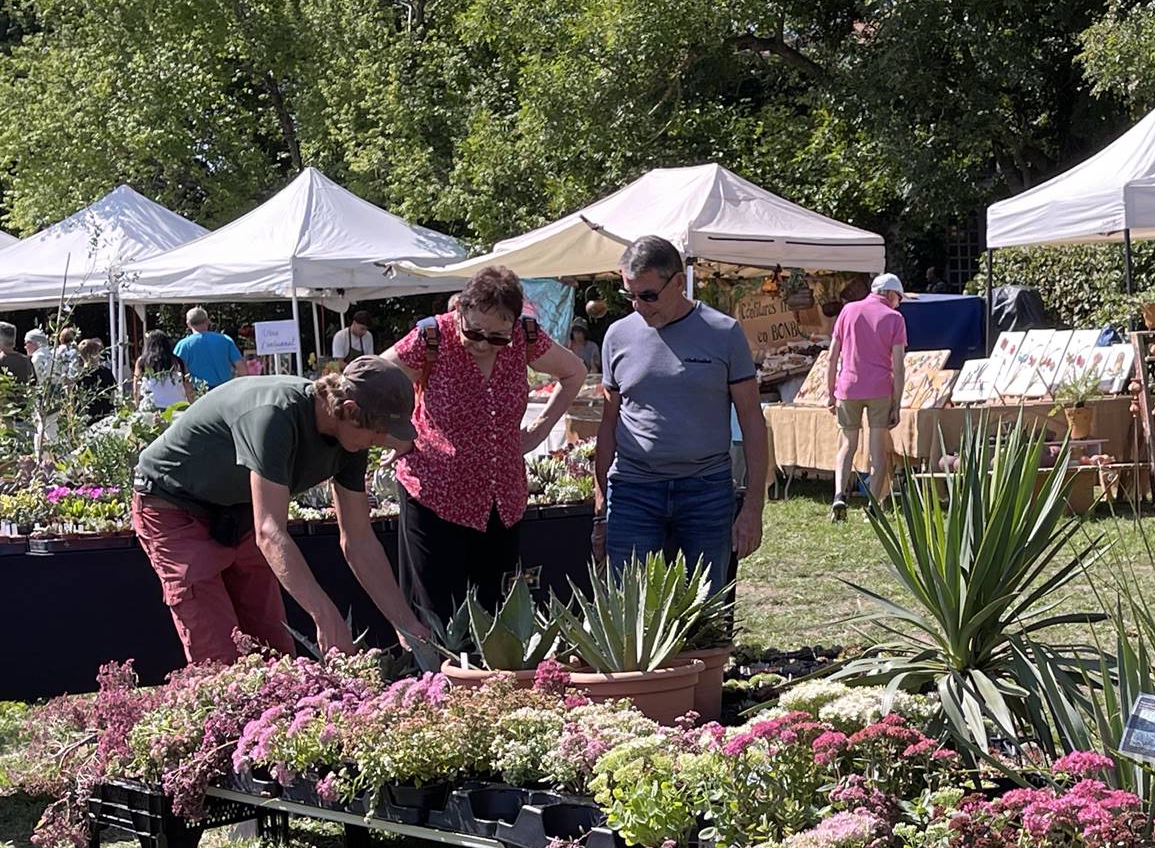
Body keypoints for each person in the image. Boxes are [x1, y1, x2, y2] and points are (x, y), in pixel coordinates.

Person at [131, 357, 429, 663]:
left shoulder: (351, 440)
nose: (381, 442)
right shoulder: (276, 416)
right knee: (218, 653)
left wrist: (406, 625)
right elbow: (270, 532)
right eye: (378, 432)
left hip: (237, 511)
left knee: (273, 648)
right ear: (350, 410)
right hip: (172, 505)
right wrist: (325, 615)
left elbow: (359, 539)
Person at [382, 265, 588, 626]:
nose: (482, 344)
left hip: (501, 500)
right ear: (460, 310)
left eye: (497, 338)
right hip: (435, 497)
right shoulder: (431, 337)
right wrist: (398, 434)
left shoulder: (525, 336)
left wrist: (540, 430)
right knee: (439, 619)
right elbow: (369, 380)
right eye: (474, 332)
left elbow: (575, 373)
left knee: (498, 619)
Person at [595, 235, 766, 593]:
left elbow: (752, 420)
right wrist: (601, 506)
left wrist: (753, 507)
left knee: (704, 607)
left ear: (677, 282)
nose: (639, 307)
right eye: (630, 296)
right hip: (633, 490)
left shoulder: (724, 333)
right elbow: (609, 422)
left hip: (706, 490)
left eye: (648, 295)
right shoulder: (617, 336)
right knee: (629, 607)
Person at [827, 272, 907, 518]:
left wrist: (830, 392)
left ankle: (839, 496)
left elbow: (832, 357)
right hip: (880, 389)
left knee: (847, 444)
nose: (898, 303)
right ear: (890, 294)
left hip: (848, 387)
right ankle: (873, 505)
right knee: (877, 449)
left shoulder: (848, 310)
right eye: (899, 298)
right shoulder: (895, 318)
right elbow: (898, 366)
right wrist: (897, 403)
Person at [174, 306, 242, 390]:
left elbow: (177, 374)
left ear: (188, 324)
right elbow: (242, 370)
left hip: (198, 392)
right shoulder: (225, 340)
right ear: (207, 321)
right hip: (225, 390)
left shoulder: (183, 346)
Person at [132, 329, 194, 409]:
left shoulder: (142, 362)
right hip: (177, 406)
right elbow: (187, 386)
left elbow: (136, 388)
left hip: (152, 407)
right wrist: (191, 404)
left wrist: (137, 404)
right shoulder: (178, 362)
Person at [72, 338, 116, 420]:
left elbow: (74, 402)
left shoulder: (78, 377)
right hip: (106, 416)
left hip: (87, 419)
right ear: (96, 353)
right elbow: (113, 396)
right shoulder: (106, 372)